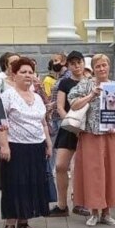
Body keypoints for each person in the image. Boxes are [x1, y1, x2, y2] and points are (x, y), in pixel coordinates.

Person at [0, 56, 54, 228]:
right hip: (15, 146)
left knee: (32, 183)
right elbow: (0, 123)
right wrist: (4, 146)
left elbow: (43, 122)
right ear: (14, 75)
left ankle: (24, 221)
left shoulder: (37, 97)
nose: (28, 75)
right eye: (23, 72)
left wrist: (48, 143)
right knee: (15, 184)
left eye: (30, 72)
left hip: (36, 146)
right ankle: (10, 223)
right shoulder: (7, 96)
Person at [68, 54, 115, 226]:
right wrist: (92, 95)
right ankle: (94, 211)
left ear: (109, 67)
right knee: (93, 173)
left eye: (104, 65)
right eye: (98, 66)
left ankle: (107, 212)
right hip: (91, 134)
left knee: (110, 172)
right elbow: (73, 104)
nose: (102, 69)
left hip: (111, 135)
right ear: (93, 68)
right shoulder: (85, 84)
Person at [48, 51, 86, 217]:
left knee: (80, 167)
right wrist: (70, 122)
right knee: (60, 166)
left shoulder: (90, 83)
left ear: (84, 63)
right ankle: (62, 205)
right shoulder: (64, 83)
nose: (76, 66)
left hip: (86, 130)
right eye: (72, 63)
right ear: (68, 66)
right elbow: (60, 107)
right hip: (69, 128)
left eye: (79, 62)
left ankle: (80, 202)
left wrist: (82, 127)